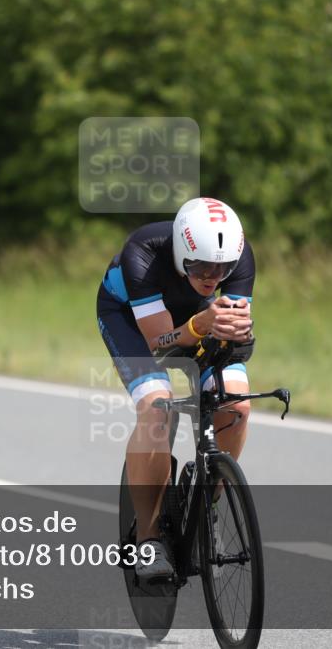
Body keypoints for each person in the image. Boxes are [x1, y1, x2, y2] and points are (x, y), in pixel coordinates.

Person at [97, 197, 255, 581]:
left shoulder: (237, 255)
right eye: (200, 265)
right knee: (156, 407)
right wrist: (201, 325)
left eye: (222, 268)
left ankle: (207, 510)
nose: (212, 276)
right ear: (182, 250)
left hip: (197, 319)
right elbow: (160, 345)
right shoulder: (144, 252)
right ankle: (149, 539)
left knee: (237, 405)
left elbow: (236, 336)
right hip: (133, 321)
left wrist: (237, 333)